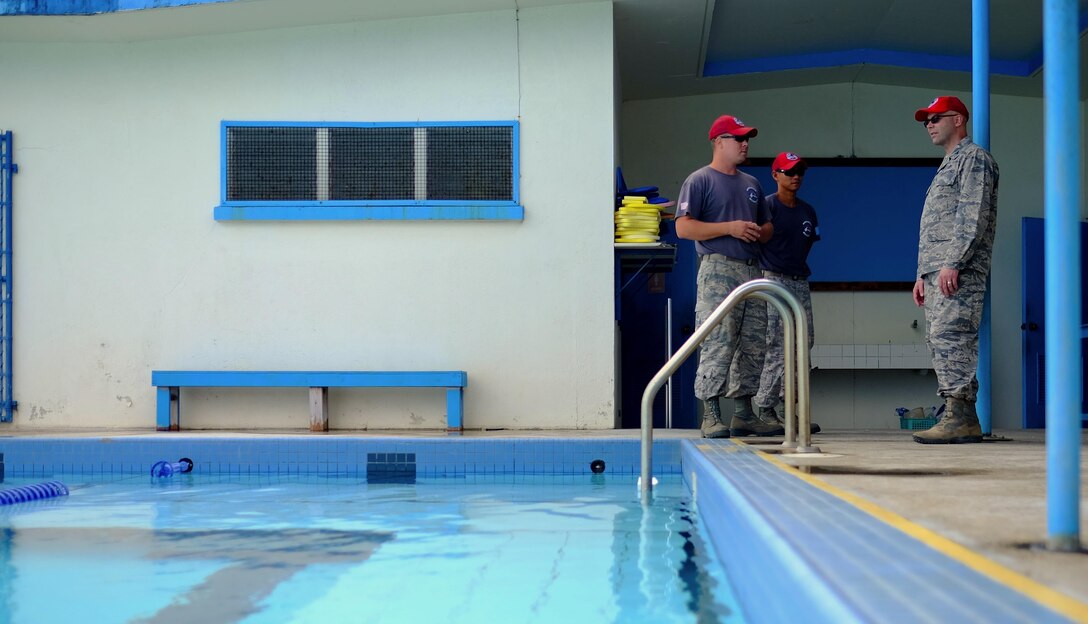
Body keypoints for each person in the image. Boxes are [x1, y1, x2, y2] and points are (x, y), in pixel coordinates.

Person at [675, 115, 783, 439]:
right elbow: (683, 227)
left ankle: (744, 413)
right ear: (719, 142)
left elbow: (768, 228)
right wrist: (730, 228)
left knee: (752, 342)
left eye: (747, 138)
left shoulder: (752, 184)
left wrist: (759, 231)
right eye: (738, 138)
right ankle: (710, 413)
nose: (745, 144)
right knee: (718, 340)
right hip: (718, 270)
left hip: (751, 268)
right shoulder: (700, 180)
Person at [910, 96, 999, 444]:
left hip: (957, 269)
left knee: (953, 337)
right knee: (939, 338)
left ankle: (960, 414)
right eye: (926, 120)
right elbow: (936, 225)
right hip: (937, 271)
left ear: (958, 119)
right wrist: (922, 273)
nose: (930, 124)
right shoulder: (948, 165)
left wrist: (953, 262)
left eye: (936, 118)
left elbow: (971, 214)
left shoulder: (974, 159)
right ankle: (957, 413)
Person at [753, 152, 822, 435]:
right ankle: (766, 409)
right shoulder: (766, 207)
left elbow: (808, 244)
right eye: (789, 171)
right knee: (777, 346)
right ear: (775, 175)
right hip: (772, 279)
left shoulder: (807, 210)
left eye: (800, 172)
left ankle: (790, 410)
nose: (796, 177)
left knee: (803, 344)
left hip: (799, 281)